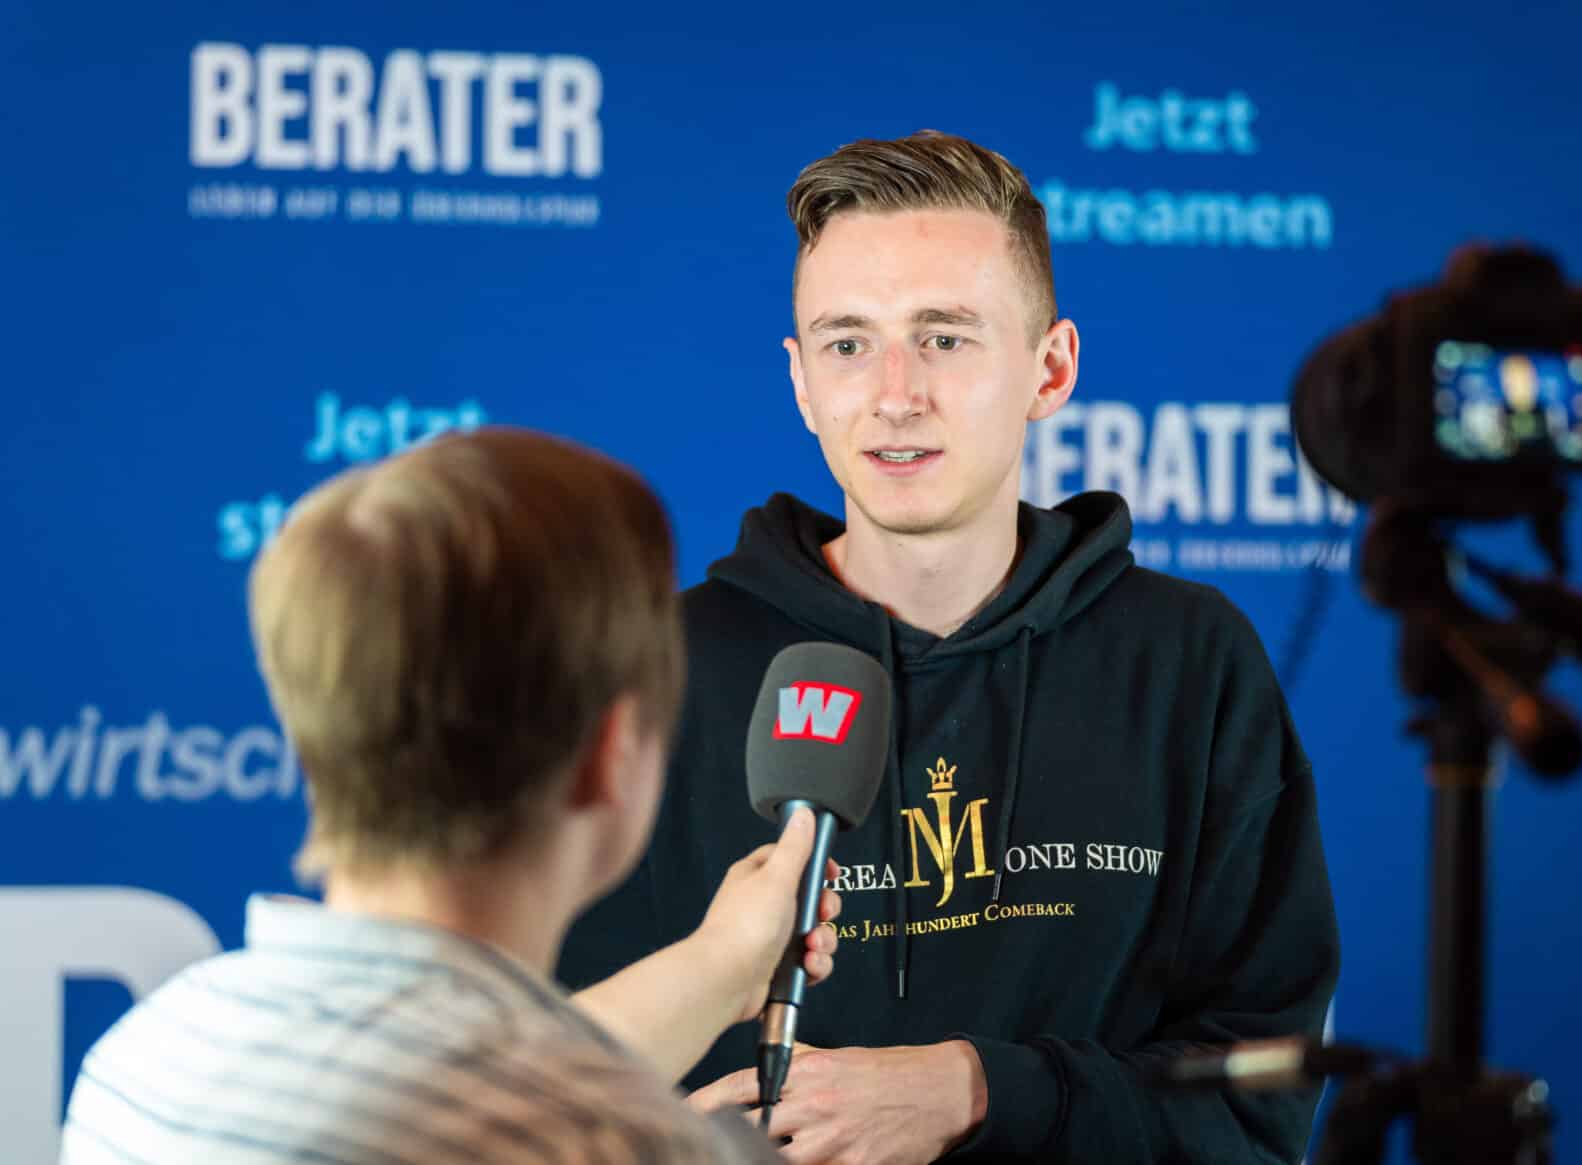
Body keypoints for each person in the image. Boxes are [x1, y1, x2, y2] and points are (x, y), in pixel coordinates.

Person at [557, 129, 1340, 1163]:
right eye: (847, 342)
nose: (893, 393)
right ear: (799, 382)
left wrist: (976, 1088)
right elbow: (550, 1082)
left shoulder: (1190, 660)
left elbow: (1260, 1101)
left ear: (1049, 368)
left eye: (944, 336)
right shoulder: (658, 671)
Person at [60, 428, 842, 1164]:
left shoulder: (146, 1054)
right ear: (608, 751)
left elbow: (459, 1071)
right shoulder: (609, 1137)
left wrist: (723, 965)